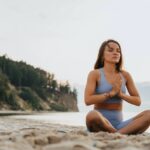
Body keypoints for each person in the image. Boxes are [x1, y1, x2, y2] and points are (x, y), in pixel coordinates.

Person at [84, 39, 150, 134]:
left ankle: (117, 133)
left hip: (120, 125)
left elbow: (138, 101)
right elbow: (88, 100)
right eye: (110, 50)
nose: (115, 53)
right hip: (100, 123)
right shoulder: (95, 74)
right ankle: (120, 133)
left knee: (149, 114)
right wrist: (111, 94)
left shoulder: (125, 75)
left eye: (118, 51)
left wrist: (121, 95)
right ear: (102, 55)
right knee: (91, 115)